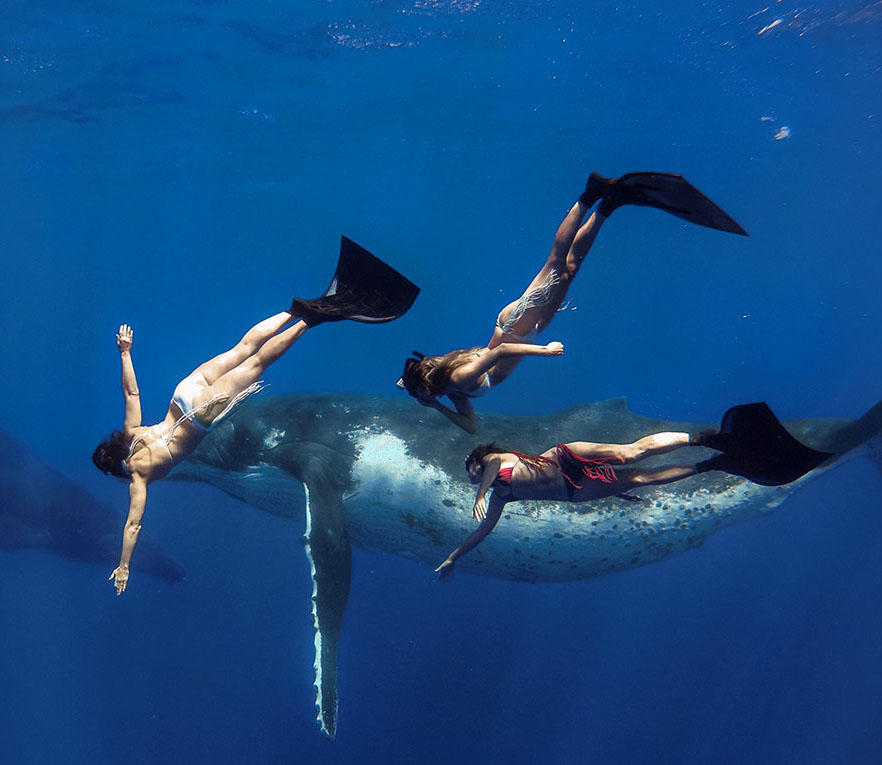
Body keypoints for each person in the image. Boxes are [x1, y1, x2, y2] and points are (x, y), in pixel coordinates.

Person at [93, 238, 419, 594]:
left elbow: (133, 525)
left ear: (117, 469)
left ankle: (317, 316)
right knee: (243, 348)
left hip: (200, 413)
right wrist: (126, 352)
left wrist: (123, 566)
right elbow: (132, 393)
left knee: (259, 362)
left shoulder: (138, 475)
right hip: (184, 393)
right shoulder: (131, 430)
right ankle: (297, 310)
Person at [397, 171, 747, 433]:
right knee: (569, 269)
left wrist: (545, 352)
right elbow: (471, 429)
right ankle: (609, 205)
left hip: (519, 329)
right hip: (520, 327)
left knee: (555, 262)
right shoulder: (450, 386)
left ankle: (590, 194)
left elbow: (498, 354)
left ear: (430, 388)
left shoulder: (458, 381)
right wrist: (428, 401)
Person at [434, 402, 830, 577]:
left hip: (562, 458)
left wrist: (482, 492)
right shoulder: (503, 497)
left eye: (470, 471)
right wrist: (454, 558)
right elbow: (483, 531)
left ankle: (708, 439)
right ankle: (712, 463)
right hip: (574, 491)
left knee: (632, 452)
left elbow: (486, 470)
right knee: (642, 478)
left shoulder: (494, 464)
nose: (472, 477)